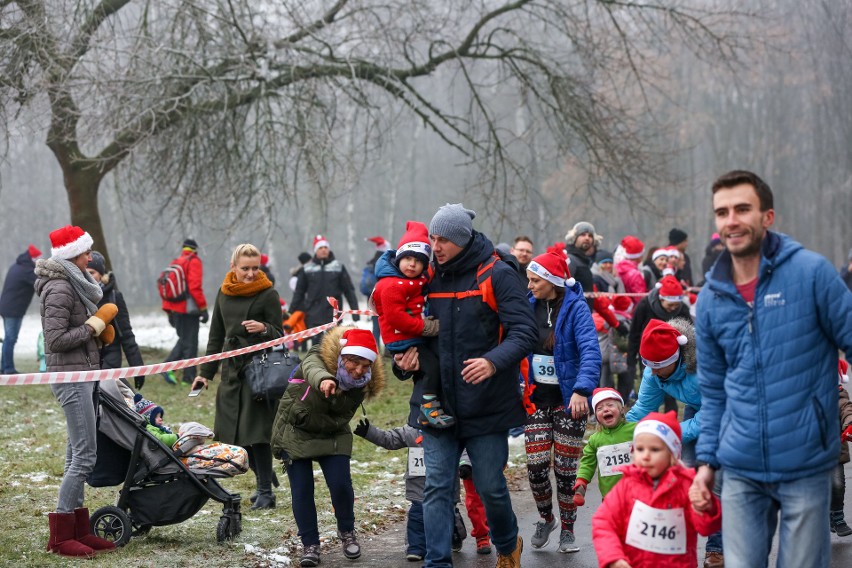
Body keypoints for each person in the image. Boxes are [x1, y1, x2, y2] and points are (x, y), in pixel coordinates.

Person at [691, 170, 852, 568]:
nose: (731, 220)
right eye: (722, 212)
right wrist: (707, 462)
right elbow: (712, 392)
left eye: (742, 209)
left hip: (805, 463)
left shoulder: (812, 274)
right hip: (739, 467)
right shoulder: (711, 297)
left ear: (767, 216)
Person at [395, 203, 536, 568]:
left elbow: (525, 332)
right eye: (432, 237)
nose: (435, 246)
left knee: (489, 486)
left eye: (442, 239)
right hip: (435, 404)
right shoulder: (428, 277)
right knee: (437, 488)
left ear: (462, 238)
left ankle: (507, 544)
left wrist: (492, 361)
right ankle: (437, 562)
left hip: (487, 404)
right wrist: (402, 360)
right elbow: (405, 329)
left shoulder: (497, 274)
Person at [35, 225, 117, 557]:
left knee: (76, 454)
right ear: (71, 255)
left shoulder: (74, 284)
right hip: (70, 378)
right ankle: (60, 535)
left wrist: (96, 334)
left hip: (83, 373)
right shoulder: (59, 288)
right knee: (85, 455)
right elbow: (55, 341)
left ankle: (79, 530)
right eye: (85, 252)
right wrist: (92, 326)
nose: (90, 257)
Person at [271, 327, 384, 567]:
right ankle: (310, 544)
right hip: (297, 430)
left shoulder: (365, 381)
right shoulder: (317, 356)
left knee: (341, 485)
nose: (359, 371)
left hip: (333, 431)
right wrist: (324, 380)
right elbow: (313, 369)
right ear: (343, 356)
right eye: (355, 363)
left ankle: (347, 532)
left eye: (366, 365)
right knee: (302, 490)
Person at [189, 243, 283, 510]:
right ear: (233, 267)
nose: (251, 273)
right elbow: (215, 336)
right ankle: (264, 474)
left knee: (257, 433)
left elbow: (281, 334)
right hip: (231, 372)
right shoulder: (223, 292)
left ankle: (265, 491)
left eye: (255, 268)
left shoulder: (268, 294)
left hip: (258, 373)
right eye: (245, 268)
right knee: (232, 434)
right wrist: (204, 374)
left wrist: (264, 328)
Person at [626, 317, 723, 566]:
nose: (652, 370)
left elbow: (713, 413)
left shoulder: (705, 366)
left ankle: (716, 548)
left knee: (717, 482)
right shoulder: (654, 372)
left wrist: (669, 433)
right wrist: (620, 430)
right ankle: (677, 545)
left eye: (658, 365)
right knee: (687, 473)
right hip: (697, 410)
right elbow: (643, 409)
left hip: (729, 412)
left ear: (676, 358)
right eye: (647, 364)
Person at [522, 250, 601, 553]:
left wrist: (583, 389)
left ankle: (568, 529)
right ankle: (546, 518)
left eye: (534, 280)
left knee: (566, 471)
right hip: (537, 400)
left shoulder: (576, 308)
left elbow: (591, 351)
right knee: (536, 467)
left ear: (552, 281)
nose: (529, 285)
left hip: (570, 401)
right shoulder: (528, 307)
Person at [593, 411, 721, 568]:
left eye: (654, 450)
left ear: (672, 455)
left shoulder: (687, 485)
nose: (646, 456)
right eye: (640, 449)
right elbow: (604, 523)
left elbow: (706, 527)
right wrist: (613, 557)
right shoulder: (626, 485)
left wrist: (706, 507)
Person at [372, 221, 449, 427]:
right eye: (407, 258)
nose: (412, 264)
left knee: (431, 367)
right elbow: (396, 317)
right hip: (403, 339)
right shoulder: (390, 285)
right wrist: (424, 327)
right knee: (432, 367)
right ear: (399, 259)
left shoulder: (415, 280)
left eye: (418, 261)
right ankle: (428, 409)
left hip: (411, 335)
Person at [353, 418, 427, 561]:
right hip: (419, 485)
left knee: (448, 513)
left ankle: (455, 533)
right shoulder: (411, 431)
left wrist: (464, 465)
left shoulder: (449, 430)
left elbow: (463, 449)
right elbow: (390, 439)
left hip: (445, 484)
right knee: (417, 515)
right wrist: (369, 432)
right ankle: (416, 548)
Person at [627, 274, 691, 416]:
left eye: (676, 305)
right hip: (648, 354)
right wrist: (631, 358)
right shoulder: (644, 305)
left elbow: (689, 333)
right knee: (651, 389)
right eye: (670, 305)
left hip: (674, 359)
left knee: (670, 390)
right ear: (661, 298)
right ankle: (651, 422)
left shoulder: (683, 309)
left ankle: (671, 417)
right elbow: (634, 332)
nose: (673, 308)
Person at [86, 252, 146, 390]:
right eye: (85, 272)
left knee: (110, 390)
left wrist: (138, 368)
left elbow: (126, 334)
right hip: (87, 357)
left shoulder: (114, 297)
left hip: (110, 353)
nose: (89, 277)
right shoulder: (77, 296)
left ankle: (138, 406)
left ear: (101, 274)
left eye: (92, 272)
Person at [290, 235, 360, 346]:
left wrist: (355, 311)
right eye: (320, 248)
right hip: (313, 313)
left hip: (333, 314)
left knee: (332, 347)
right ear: (315, 251)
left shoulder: (338, 267)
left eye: (325, 247)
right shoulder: (307, 268)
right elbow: (299, 292)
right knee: (317, 347)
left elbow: (349, 290)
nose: (323, 250)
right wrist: (291, 311)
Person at [573, 388, 637, 506]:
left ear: (621, 409)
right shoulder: (594, 440)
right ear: (596, 416)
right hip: (610, 498)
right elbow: (587, 464)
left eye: (610, 405)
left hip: (638, 495)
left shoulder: (636, 430)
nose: (605, 409)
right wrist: (581, 483)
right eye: (599, 408)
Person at [161, 238, 208, 385]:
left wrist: (168, 311)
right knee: (190, 342)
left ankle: (185, 376)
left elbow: (166, 287)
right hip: (188, 310)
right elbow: (195, 287)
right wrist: (203, 308)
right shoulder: (193, 261)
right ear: (195, 249)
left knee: (185, 340)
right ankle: (174, 370)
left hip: (174, 309)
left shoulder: (175, 262)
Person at [0, 244, 41, 374]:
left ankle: (3, 367)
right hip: (13, 310)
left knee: (8, 338)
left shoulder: (18, 266)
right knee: (11, 339)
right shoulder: (26, 270)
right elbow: (39, 282)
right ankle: (9, 368)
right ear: (33, 259)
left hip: (8, 307)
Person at [832, 360, 852, 537]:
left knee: (837, 483)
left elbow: (846, 409)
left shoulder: (838, 394)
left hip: (835, 450)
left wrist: (849, 423)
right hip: (810, 451)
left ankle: (838, 516)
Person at [362, 235, 389, 347]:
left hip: (373, 299)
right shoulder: (388, 261)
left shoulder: (371, 263)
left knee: (376, 325)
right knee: (388, 325)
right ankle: (388, 349)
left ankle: (375, 348)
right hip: (387, 298)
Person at [564, 221, 597, 310]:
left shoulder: (585, 261)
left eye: (590, 236)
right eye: (582, 234)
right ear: (574, 238)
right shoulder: (569, 260)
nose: (587, 238)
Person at [615, 235, 647, 306]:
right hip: (633, 312)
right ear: (638, 256)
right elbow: (640, 299)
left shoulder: (616, 268)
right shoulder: (635, 274)